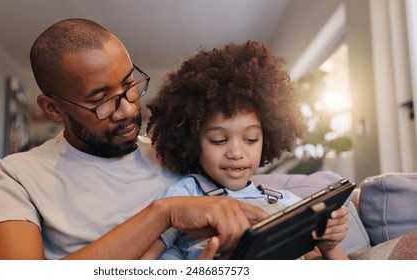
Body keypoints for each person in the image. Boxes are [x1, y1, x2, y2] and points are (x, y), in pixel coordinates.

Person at [0, 18, 269, 260]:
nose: (128, 109)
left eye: (129, 84)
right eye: (101, 100)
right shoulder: (16, 175)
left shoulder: (176, 153)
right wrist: (165, 213)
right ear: (53, 109)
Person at [142, 41, 349, 260]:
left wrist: (328, 246)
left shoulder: (287, 202)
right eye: (219, 140)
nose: (236, 152)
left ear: (266, 139)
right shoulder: (185, 195)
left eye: (250, 139)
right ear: (193, 142)